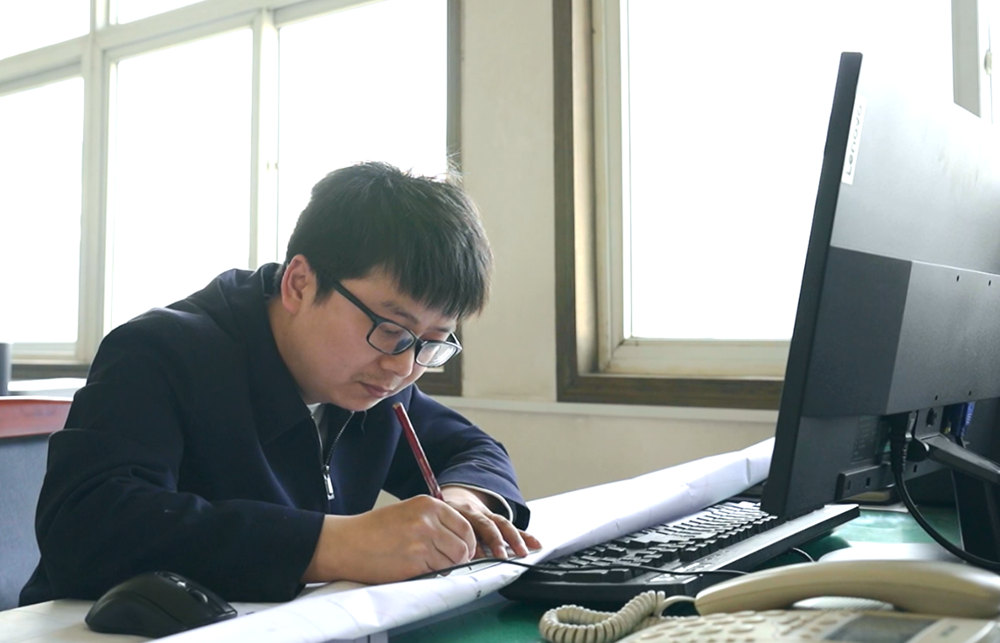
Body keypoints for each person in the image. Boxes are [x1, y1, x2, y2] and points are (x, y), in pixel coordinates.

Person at [20, 161, 540, 606]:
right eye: (390, 329)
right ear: (299, 283)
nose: (404, 367)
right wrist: (337, 545)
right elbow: (88, 528)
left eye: (433, 342)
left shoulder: (378, 377)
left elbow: (474, 450)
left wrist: (466, 503)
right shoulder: (160, 352)